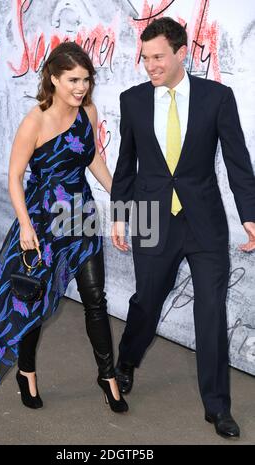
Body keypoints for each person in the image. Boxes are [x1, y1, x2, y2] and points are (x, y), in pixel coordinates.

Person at [111, 17, 255, 437]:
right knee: (148, 303)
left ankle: (217, 406)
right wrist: (119, 213)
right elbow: (126, 164)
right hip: (153, 218)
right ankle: (126, 361)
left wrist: (250, 215)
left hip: (205, 221)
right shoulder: (133, 100)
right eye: (145, 57)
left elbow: (237, 162)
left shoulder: (217, 98)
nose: (150, 65)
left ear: (180, 52)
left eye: (158, 57)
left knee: (210, 310)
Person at [0, 42, 128, 413]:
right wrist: (24, 225)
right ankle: (27, 372)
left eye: (86, 79)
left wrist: (119, 192)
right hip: (44, 221)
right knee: (35, 300)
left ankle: (107, 376)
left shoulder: (89, 111)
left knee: (95, 300)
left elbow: (91, 155)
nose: (81, 87)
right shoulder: (36, 120)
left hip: (80, 216)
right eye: (73, 80)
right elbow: (15, 177)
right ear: (53, 78)